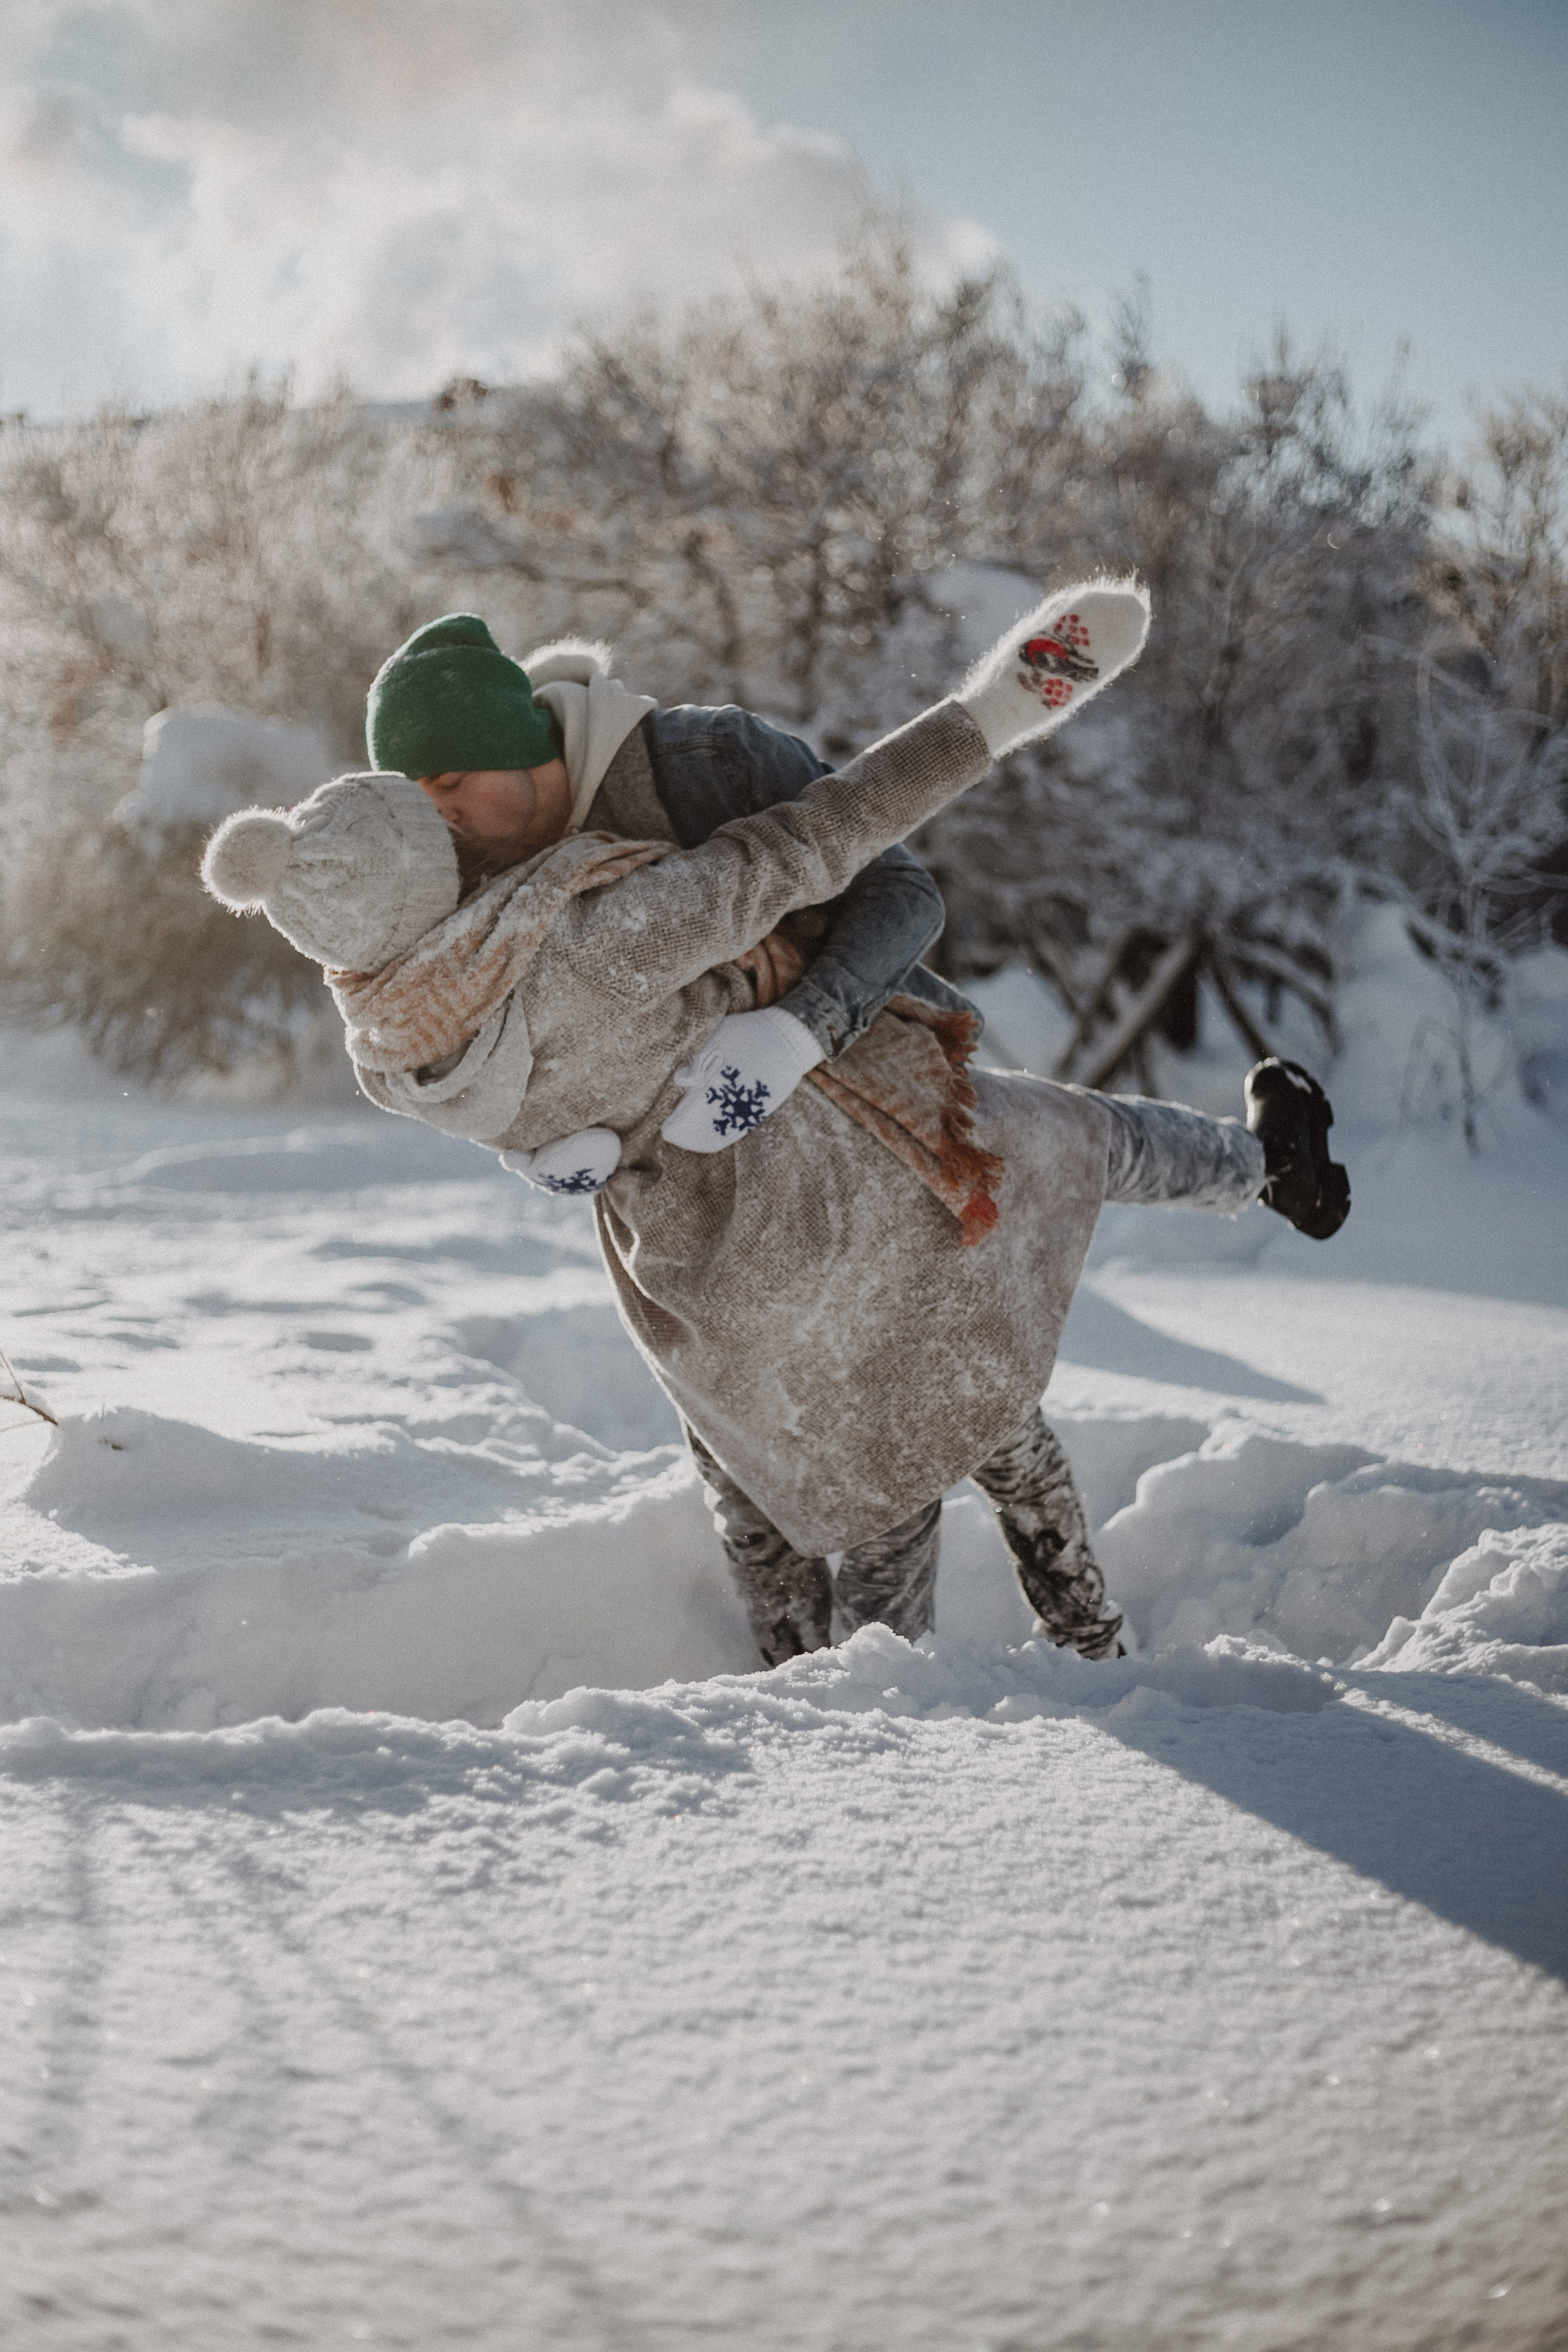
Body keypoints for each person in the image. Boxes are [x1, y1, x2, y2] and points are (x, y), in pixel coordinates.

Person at [202, 584, 1349, 1670]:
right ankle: (799, 1722)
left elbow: (897, 891)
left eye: (452, 784)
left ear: (522, 742)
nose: (443, 822)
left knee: (1032, 1212)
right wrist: (540, 1148)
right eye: (422, 802)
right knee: (745, 1455)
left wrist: (802, 1029)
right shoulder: (468, 874)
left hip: (859, 1100)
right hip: (698, 1214)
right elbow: (481, 1039)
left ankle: (1266, 1170)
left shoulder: (698, 761)